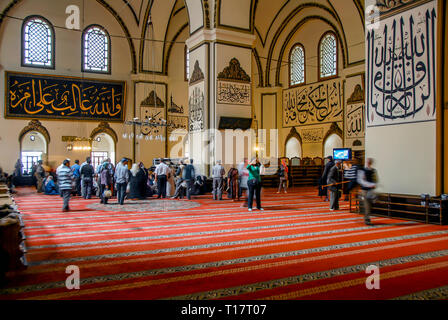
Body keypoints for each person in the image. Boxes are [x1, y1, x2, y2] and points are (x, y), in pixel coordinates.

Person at [357, 158, 378, 225]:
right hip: (365, 190)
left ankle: (367, 217)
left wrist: (373, 185)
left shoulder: (373, 171)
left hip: (371, 191)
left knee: (370, 205)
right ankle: (367, 219)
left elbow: (375, 180)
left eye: (369, 162)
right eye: (367, 162)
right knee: (367, 205)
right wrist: (370, 185)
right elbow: (360, 180)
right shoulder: (362, 170)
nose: (368, 163)